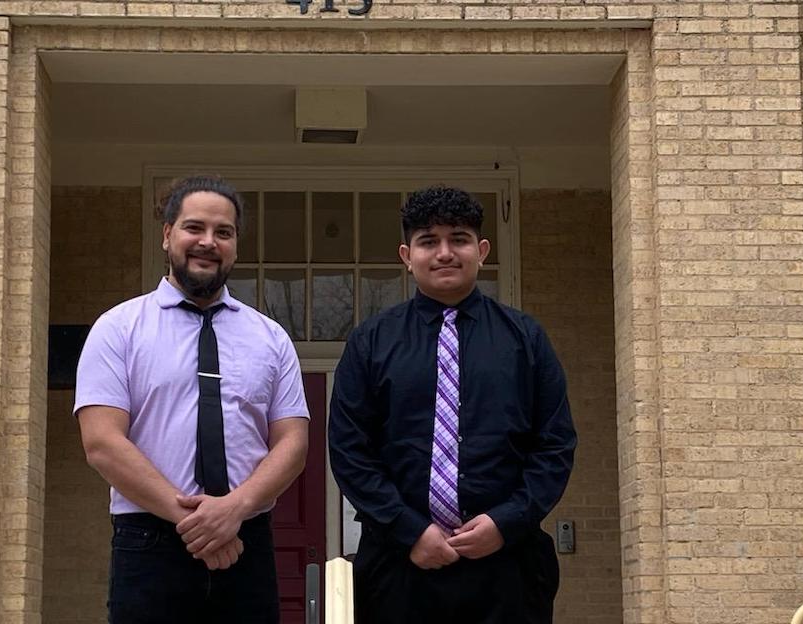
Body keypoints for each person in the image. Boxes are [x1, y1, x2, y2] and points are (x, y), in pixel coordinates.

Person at [328, 185, 576, 624]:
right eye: (428, 241)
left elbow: (554, 445)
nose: (444, 252)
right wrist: (410, 530)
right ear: (407, 255)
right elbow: (350, 452)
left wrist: (506, 522)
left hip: (508, 568)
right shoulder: (370, 343)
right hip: (398, 568)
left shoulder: (526, 340)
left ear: (481, 250)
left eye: (458, 239)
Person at [74, 175, 309, 624]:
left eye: (224, 232)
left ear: (236, 245)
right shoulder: (118, 328)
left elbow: (293, 445)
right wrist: (199, 523)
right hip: (149, 543)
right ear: (167, 235)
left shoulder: (271, 337)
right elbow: (102, 442)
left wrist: (232, 511)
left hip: (247, 540)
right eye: (194, 228)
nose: (208, 242)